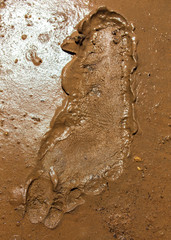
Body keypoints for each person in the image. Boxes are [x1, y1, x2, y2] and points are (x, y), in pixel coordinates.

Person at [25, 6, 137, 228]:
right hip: (101, 132)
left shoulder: (105, 38)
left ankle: (54, 179)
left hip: (99, 131)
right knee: (95, 99)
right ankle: (58, 182)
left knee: (94, 96)